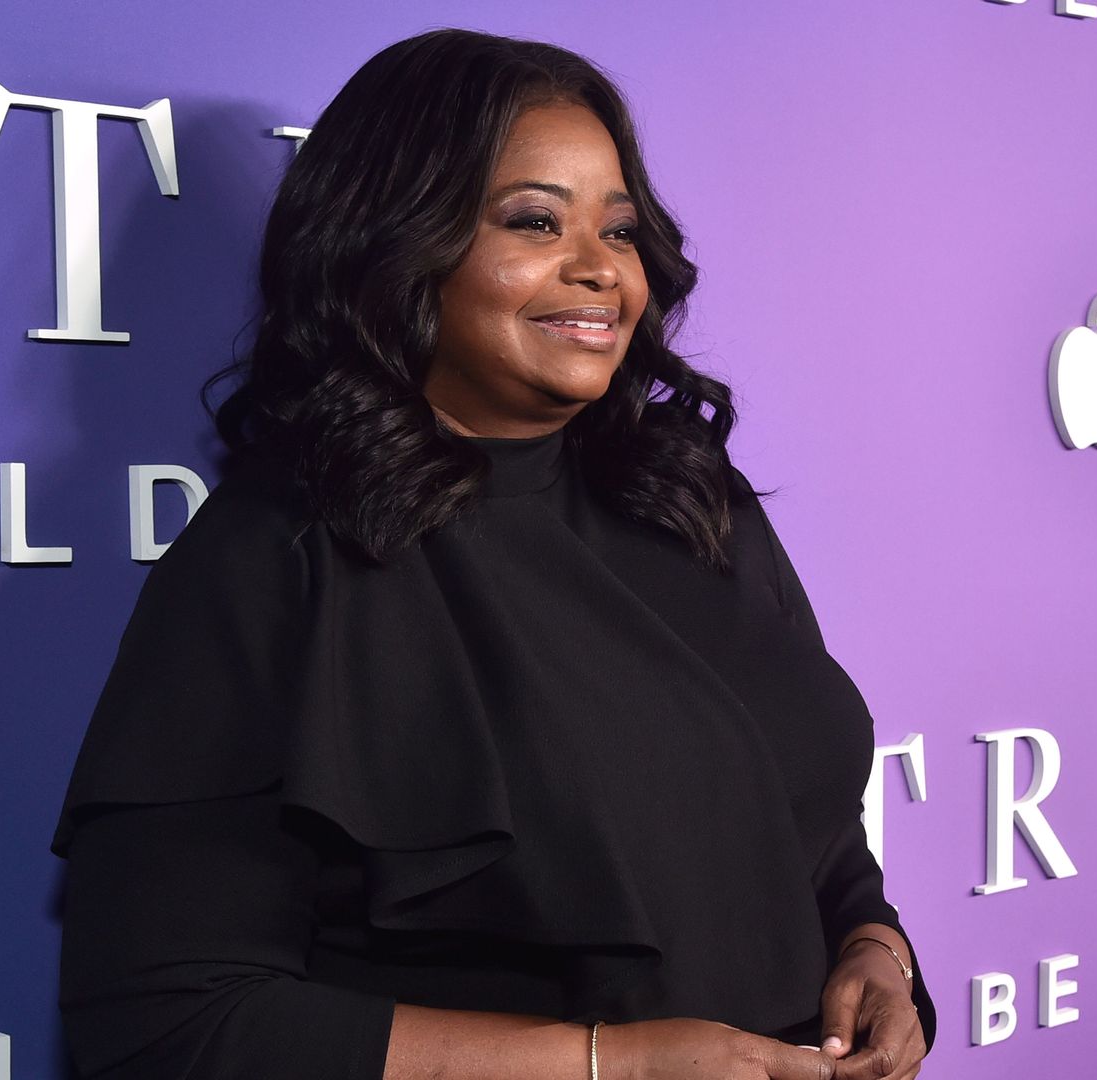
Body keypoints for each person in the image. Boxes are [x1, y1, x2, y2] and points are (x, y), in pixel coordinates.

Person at [51, 27, 936, 1080]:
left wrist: (874, 952)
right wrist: (616, 1070)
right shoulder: (277, 559)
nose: (599, 270)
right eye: (534, 221)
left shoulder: (693, 499)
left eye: (619, 230)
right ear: (395, 243)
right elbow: (164, 1022)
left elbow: (806, 827)